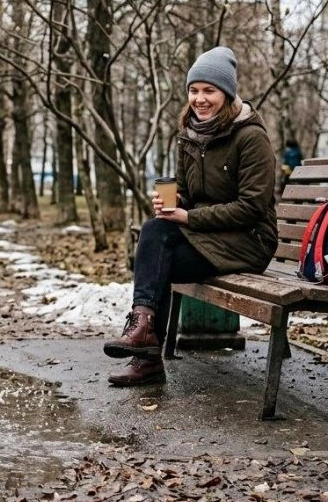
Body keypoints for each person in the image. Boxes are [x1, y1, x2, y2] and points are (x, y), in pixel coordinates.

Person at [103, 47, 277, 386]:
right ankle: (144, 338)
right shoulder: (191, 135)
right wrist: (174, 202)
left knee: (158, 252)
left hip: (249, 241)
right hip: (212, 237)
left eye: (209, 90)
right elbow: (185, 188)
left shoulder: (251, 138)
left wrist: (187, 217)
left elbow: (252, 208)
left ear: (226, 94)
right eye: (194, 90)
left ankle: (144, 351)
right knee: (156, 235)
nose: (200, 99)